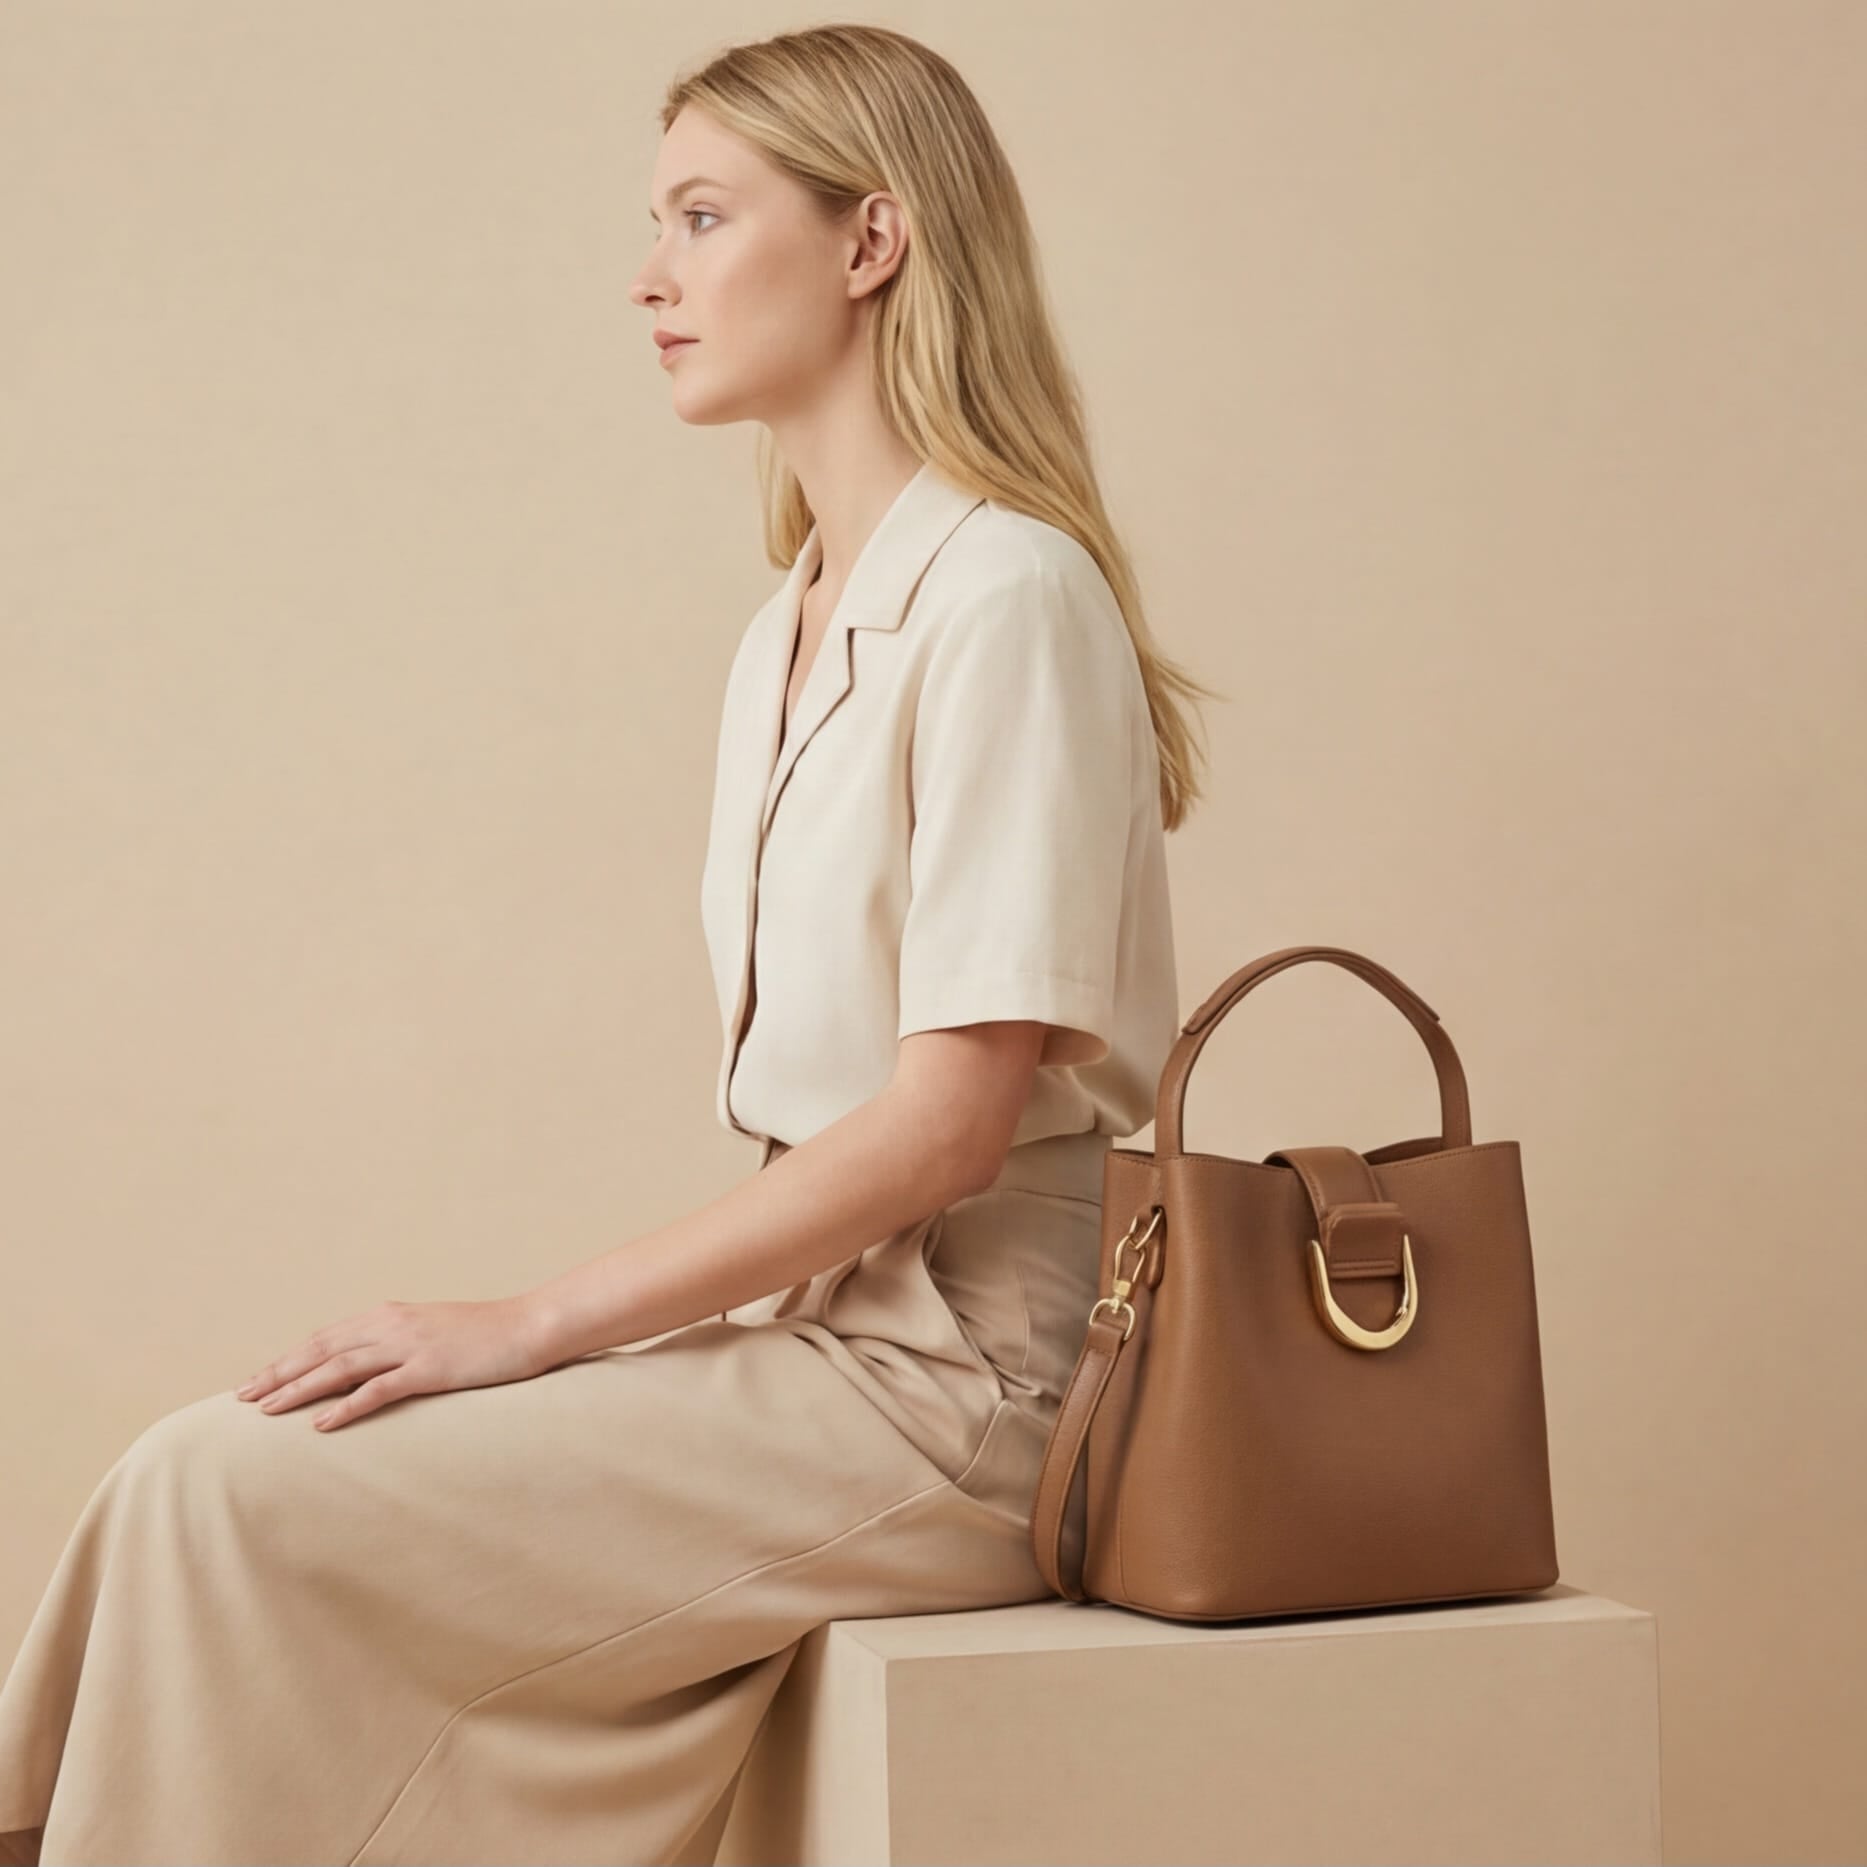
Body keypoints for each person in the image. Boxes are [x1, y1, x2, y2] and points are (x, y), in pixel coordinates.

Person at [0, 23, 1214, 1865]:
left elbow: (948, 1131)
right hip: (824, 1350)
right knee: (208, 1477)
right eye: (657, 222)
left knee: (226, 1499)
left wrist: (528, 1330)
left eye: (705, 217)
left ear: (873, 239)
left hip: (981, 1389)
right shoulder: (791, 623)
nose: (650, 276)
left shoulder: (1009, 596)